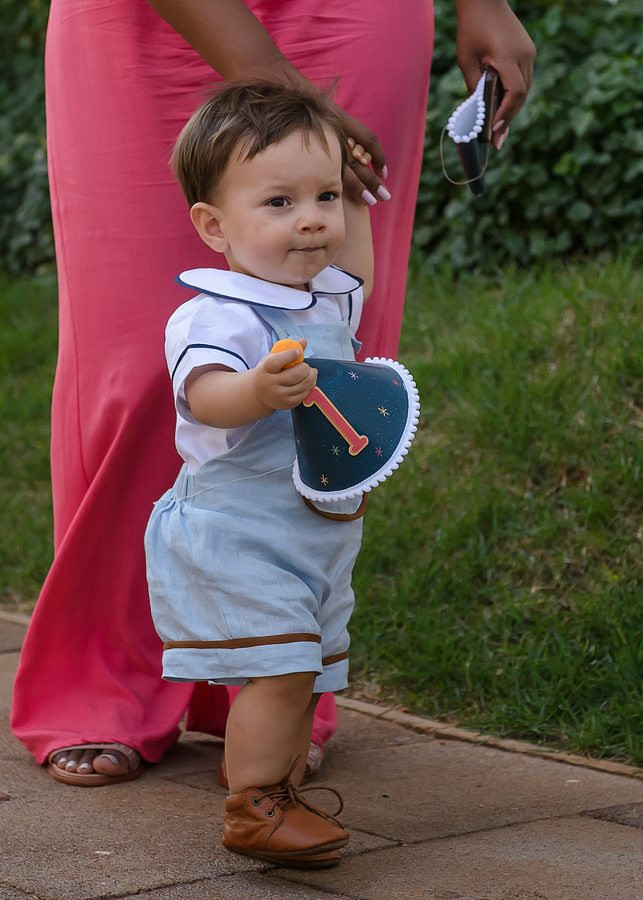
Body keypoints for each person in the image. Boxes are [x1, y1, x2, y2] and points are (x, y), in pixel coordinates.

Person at [11, 0, 535, 785]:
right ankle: (104, 681)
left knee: (327, 346)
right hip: (139, 24)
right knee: (140, 378)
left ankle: (274, 684)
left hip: (350, 16)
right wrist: (293, 99)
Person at [145, 80, 373, 867]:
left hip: (311, 528)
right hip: (235, 528)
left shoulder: (323, 299)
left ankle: (275, 787)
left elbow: (357, 261)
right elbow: (203, 396)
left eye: (323, 197)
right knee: (280, 669)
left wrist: (355, 190)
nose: (311, 218)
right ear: (214, 226)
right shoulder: (216, 313)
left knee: (301, 670)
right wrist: (257, 391)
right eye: (279, 202)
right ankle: (255, 807)